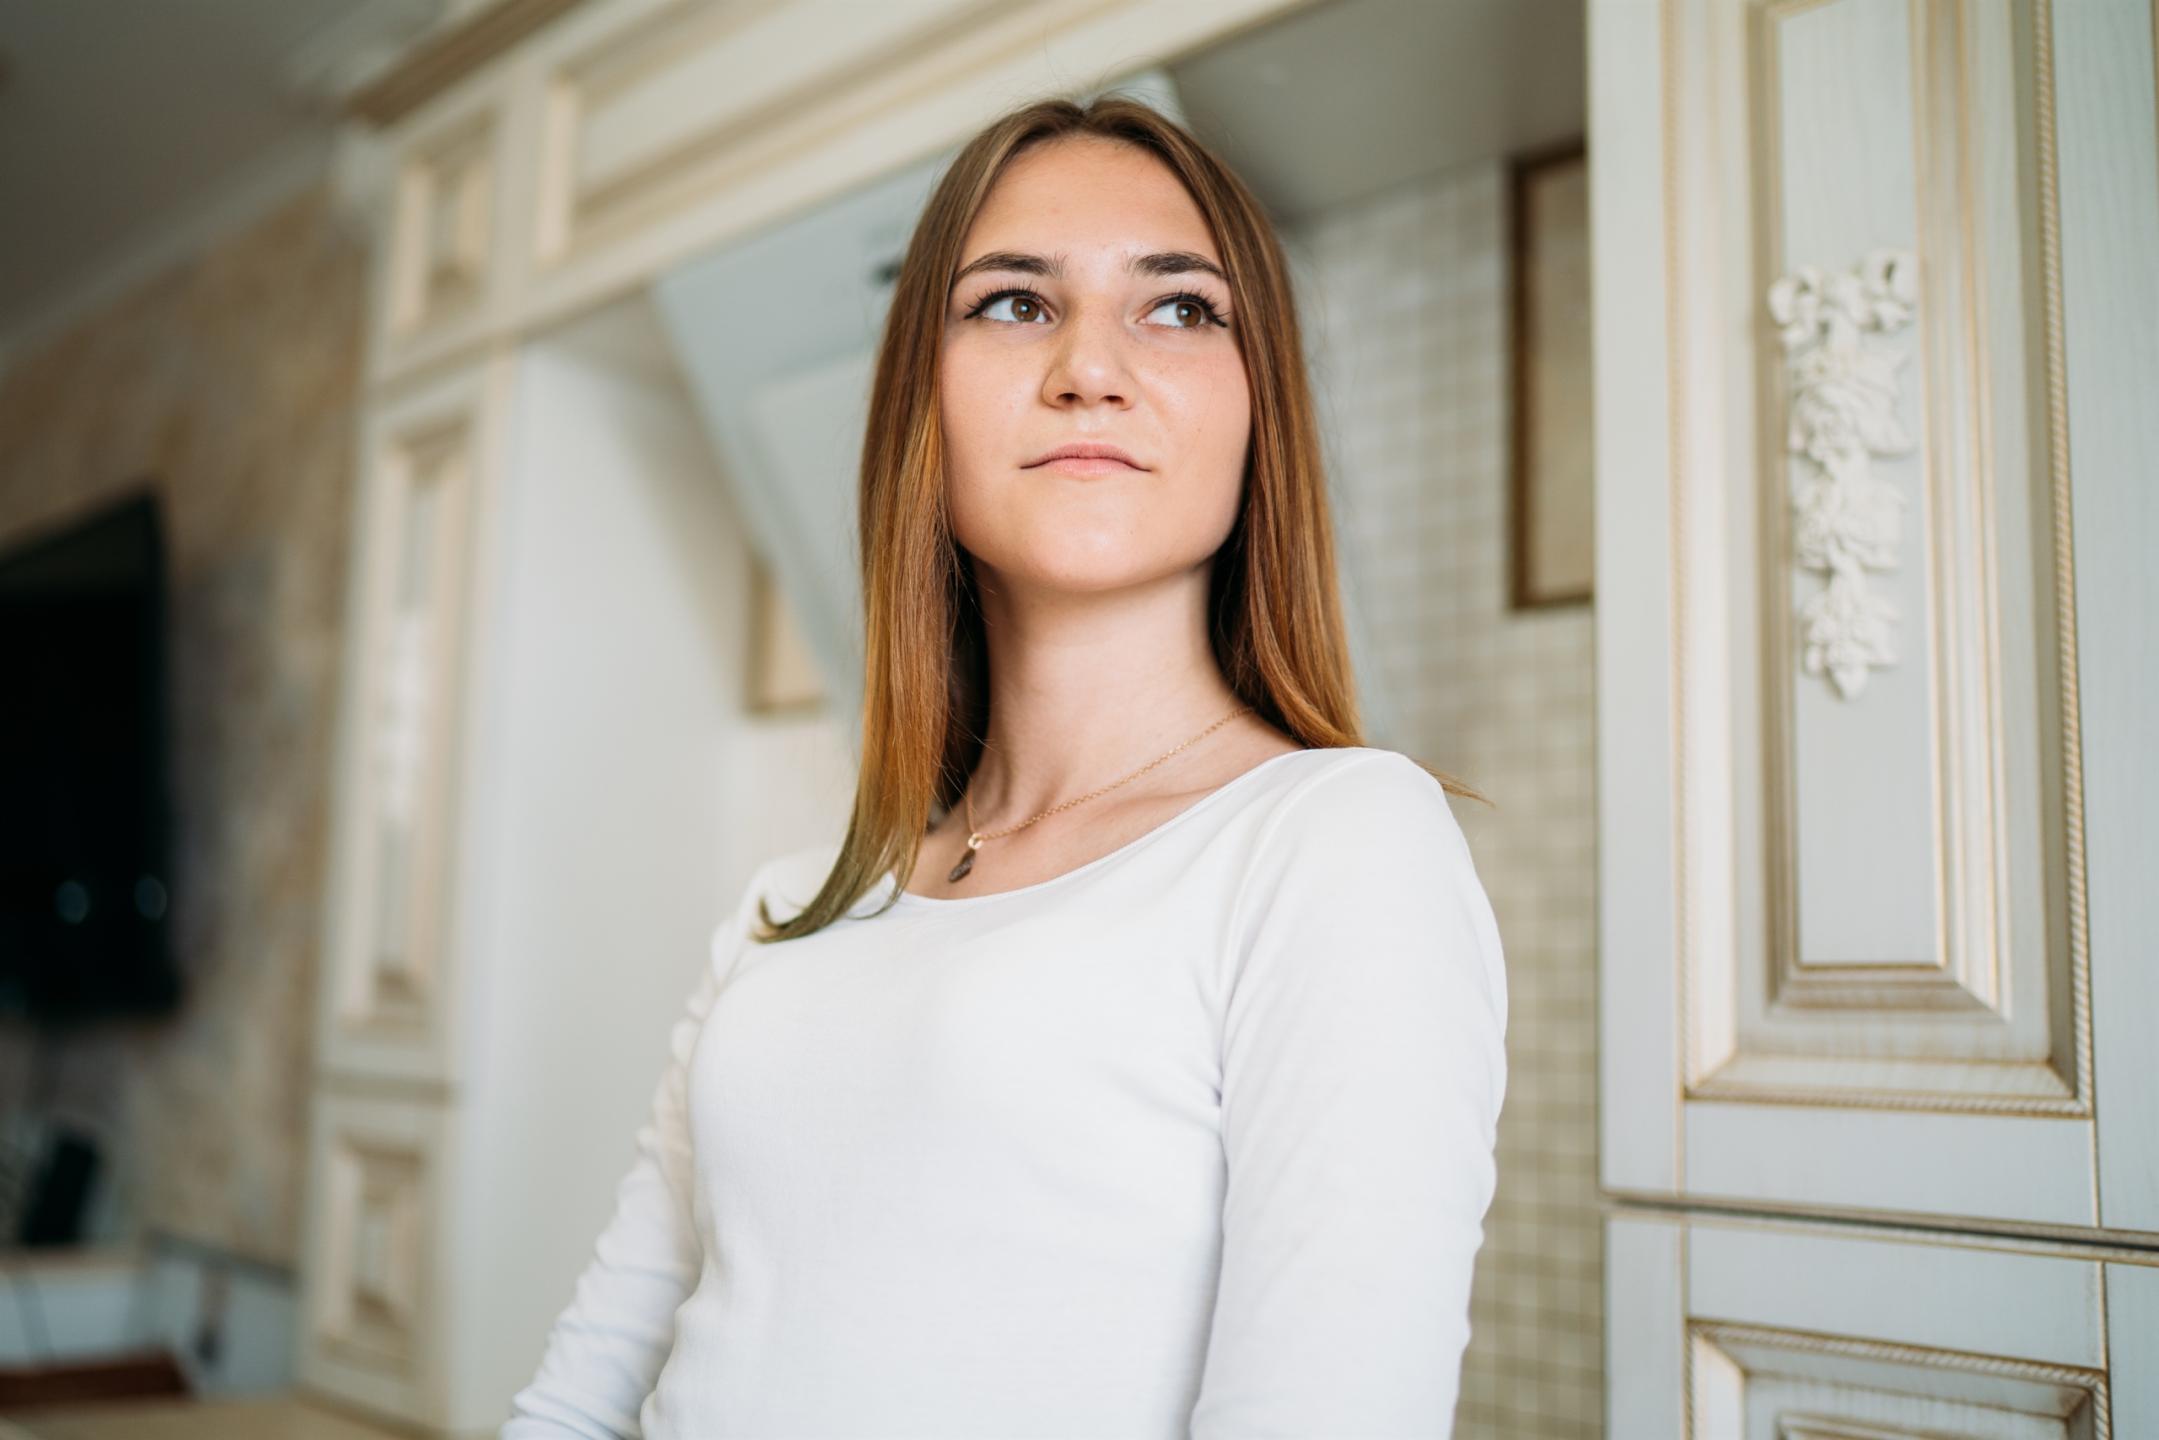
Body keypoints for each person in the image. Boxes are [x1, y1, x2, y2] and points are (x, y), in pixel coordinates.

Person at [503, 92, 1507, 1440]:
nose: (1090, 367)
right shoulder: (785, 910)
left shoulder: (1339, 840)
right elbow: (586, 1389)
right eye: (1016, 304)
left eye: (1180, 307)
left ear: (1262, 410)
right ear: (920, 398)